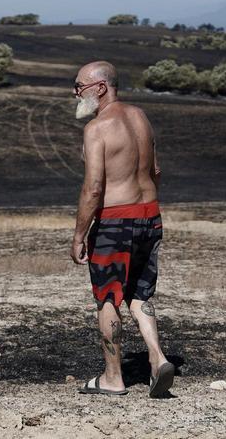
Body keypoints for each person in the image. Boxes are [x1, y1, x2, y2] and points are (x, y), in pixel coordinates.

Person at [69, 60, 175, 398]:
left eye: (79, 87)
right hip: (150, 215)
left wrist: (79, 235)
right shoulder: (140, 117)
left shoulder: (97, 128)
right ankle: (157, 359)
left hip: (116, 220)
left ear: (99, 88)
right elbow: (156, 170)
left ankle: (113, 377)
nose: (75, 94)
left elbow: (94, 188)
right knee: (140, 293)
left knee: (108, 297)